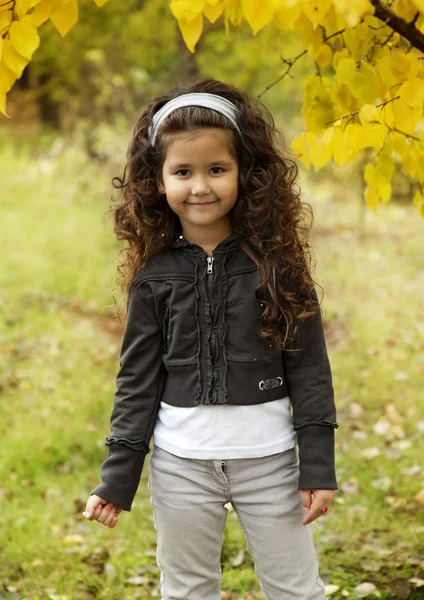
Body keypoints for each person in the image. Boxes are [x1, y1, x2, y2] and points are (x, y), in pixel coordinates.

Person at [84, 76, 339, 600]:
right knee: (187, 591)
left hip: (270, 462)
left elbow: (310, 369)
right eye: (183, 172)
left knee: (297, 590)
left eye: (217, 169)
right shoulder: (154, 278)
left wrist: (317, 465)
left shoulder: (277, 268)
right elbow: (137, 382)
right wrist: (118, 476)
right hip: (180, 466)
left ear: (246, 174)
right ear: (158, 182)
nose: (200, 186)